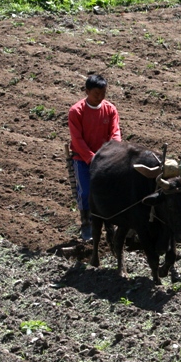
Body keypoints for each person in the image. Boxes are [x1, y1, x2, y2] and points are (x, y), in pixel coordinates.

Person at [68, 74, 122, 241]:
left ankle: (111, 225)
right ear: (87, 91)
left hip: (105, 160)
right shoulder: (76, 111)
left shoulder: (110, 109)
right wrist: (91, 159)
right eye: (96, 93)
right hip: (83, 160)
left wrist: (110, 154)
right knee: (85, 193)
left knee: (110, 193)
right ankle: (86, 224)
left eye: (103, 93)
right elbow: (77, 140)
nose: (100, 97)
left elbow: (115, 133)